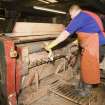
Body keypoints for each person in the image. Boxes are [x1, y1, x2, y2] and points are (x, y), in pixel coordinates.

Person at [45, 4, 105, 96]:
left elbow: (65, 34)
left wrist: (50, 46)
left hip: (96, 45)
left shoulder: (80, 17)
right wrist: (73, 43)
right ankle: (80, 87)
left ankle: (85, 92)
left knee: (88, 68)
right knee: (84, 67)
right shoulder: (86, 16)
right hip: (92, 43)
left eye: (71, 16)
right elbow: (86, 32)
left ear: (74, 12)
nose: (71, 18)